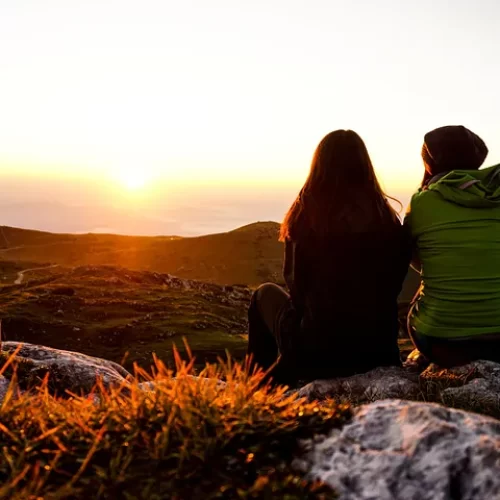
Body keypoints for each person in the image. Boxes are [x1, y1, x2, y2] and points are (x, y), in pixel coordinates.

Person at [247, 130, 410, 386]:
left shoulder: (306, 215)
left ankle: (258, 386)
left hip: (320, 353)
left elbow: (295, 286)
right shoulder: (387, 218)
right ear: (364, 165)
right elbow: (394, 283)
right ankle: (278, 374)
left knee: (263, 295)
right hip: (379, 351)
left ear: (319, 165)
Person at [405, 125, 500, 367]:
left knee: (428, 285)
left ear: (429, 163)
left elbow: (418, 261)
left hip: (443, 344)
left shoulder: (422, 202)